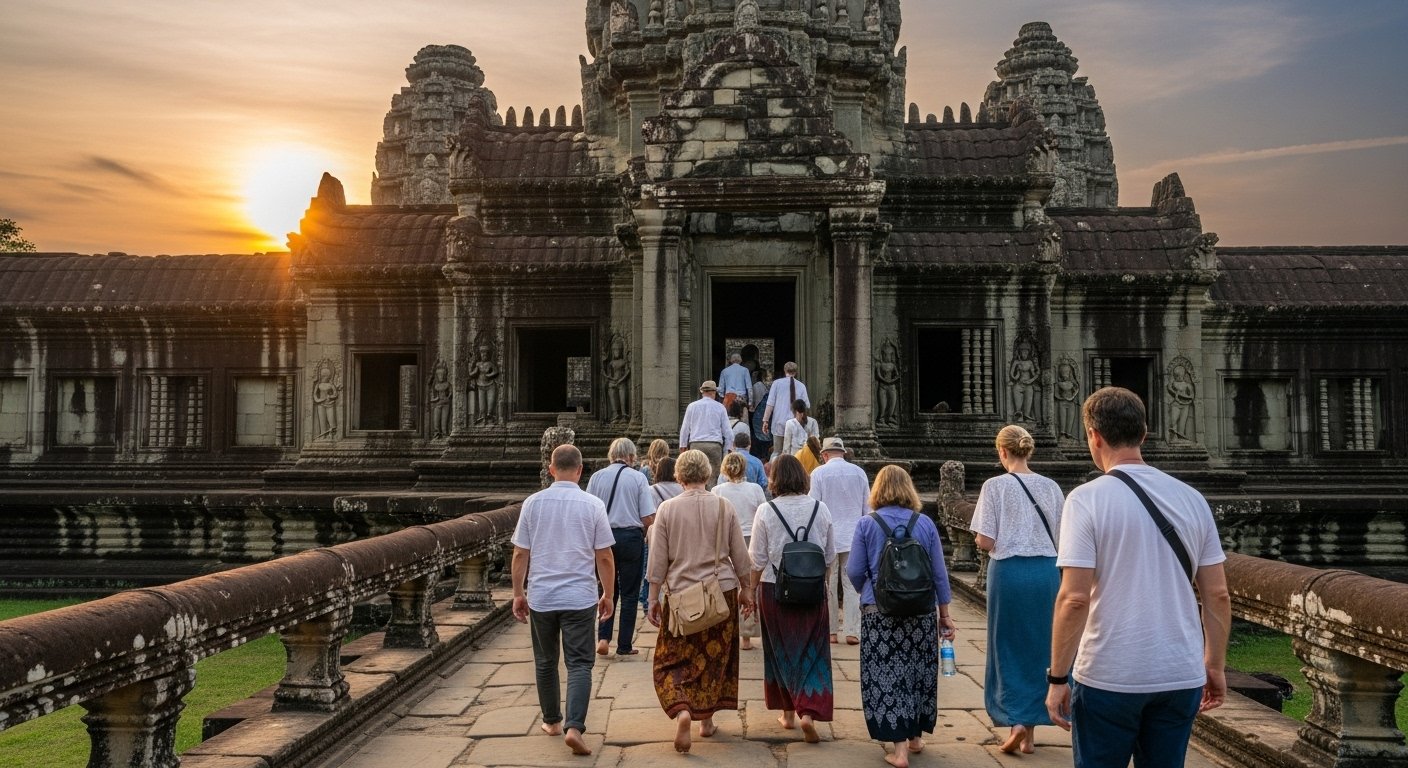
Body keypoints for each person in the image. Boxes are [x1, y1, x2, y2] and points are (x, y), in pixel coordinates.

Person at [1046, 387, 1231, 768]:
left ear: (1093, 436)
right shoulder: (1191, 498)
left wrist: (1057, 678)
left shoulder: (1086, 499)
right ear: (1144, 434)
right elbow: (1218, 594)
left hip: (1110, 674)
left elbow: (1074, 598)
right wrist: (1213, 665)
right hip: (1179, 672)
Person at [646, 449, 754, 753]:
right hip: (721, 594)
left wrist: (654, 597)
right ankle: (706, 722)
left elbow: (657, 561)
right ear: (707, 475)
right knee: (716, 660)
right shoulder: (723, 506)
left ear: (679, 476)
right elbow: (740, 556)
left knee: (672, 659)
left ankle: (684, 711)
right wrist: (747, 589)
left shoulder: (667, 509)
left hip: (681, 597)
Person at [510, 444, 616, 756]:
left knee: (545, 661)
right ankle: (574, 727)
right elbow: (605, 557)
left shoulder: (533, 503)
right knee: (580, 663)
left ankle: (552, 722)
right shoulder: (592, 505)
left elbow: (520, 553)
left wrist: (518, 592)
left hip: (542, 595)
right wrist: (607, 594)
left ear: (551, 468)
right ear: (581, 470)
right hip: (579, 596)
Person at [847, 465, 955, 768]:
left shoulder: (867, 524)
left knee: (886, 676)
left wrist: (869, 590)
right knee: (917, 672)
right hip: (920, 611)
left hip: (878, 611)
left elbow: (854, 570)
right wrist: (944, 614)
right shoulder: (925, 524)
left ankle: (900, 751)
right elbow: (939, 574)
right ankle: (916, 737)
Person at [970, 424, 1064, 754]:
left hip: (1008, 572)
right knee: (1043, 645)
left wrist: (983, 539)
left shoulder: (994, 486)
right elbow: (1064, 536)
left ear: (1003, 452)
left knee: (1007, 645)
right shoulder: (1052, 487)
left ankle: (1017, 720)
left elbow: (986, 540)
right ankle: (1033, 730)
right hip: (1046, 573)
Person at [749, 454, 836, 743]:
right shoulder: (820, 509)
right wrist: (820, 584)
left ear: (774, 479)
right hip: (812, 591)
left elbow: (757, 559)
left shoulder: (766, 510)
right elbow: (830, 556)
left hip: (774, 589)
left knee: (779, 651)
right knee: (813, 650)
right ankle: (808, 711)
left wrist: (747, 590)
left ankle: (788, 713)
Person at [586, 438, 657, 657]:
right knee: (629, 592)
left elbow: (588, 512)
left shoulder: (597, 477)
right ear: (632, 456)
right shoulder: (637, 478)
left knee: (606, 589)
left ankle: (603, 637)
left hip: (603, 539)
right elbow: (647, 516)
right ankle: (624, 644)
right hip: (630, 538)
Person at [809, 437, 869, 645]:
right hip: (854, 536)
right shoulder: (859, 473)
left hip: (828, 536)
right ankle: (853, 630)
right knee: (853, 584)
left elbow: (814, 507)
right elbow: (867, 510)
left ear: (824, 455)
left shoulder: (818, 473)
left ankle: (831, 631)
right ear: (843, 453)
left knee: (828, 584)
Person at [713, 451, 767, 649]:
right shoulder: (755, 490)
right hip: (750, 537)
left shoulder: (718, 490)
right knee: (750, 586)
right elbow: (763, 515)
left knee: (727, 585)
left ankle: (726, 627)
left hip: (725, 539)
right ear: (744, 468)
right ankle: (746, 636)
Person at [678, 380, 733, 487]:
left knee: (695, 476)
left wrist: (683, 447)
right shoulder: (720, 407)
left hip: (696, 445)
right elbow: (728, 432)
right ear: (714, 392)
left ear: (702, 392)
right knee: (713, 477)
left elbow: (684, 429)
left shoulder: (692, 406)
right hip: (714, 446)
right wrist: (727, 450)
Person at [762, 361, 809, 446]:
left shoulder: (776, 384)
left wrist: (765, 421)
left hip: (779, 422)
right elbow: (806, 406)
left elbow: (770, 404)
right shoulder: (801, 386)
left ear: (784, 370)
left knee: (777, 451)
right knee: (794, 452)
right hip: (796, 423)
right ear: (796, 372)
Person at [750, 369, 774, 462]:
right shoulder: (764, 386)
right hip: (765, 415)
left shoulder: (756, 386)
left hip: (758, 414)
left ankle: (760, 457)